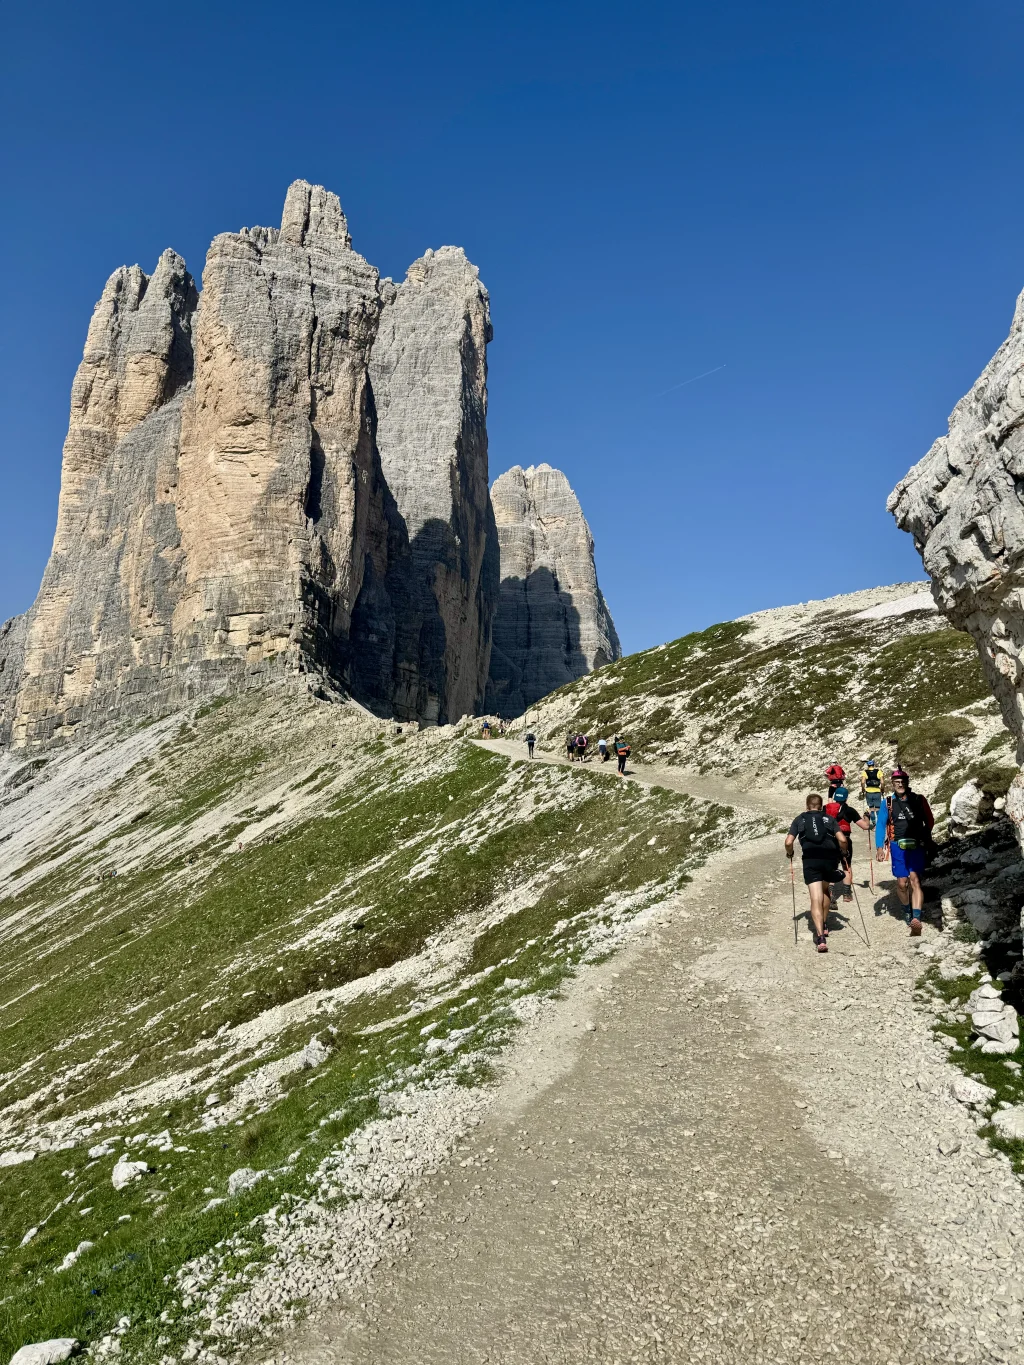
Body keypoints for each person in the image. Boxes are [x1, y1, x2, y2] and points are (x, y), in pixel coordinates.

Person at [785, 794, 849, 952]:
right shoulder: (829, 819)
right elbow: (842, 840)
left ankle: (820, 937)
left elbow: (788, 842)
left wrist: (790, 853)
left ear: (807, 806)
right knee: (826, 889)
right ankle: (825, 924)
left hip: (811, 861)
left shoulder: (800, 819)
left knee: (815, 897)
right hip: (829, 860)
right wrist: (844, 852)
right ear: (821, 806)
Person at [875, 766, 934, 936]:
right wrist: (880, 847)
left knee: (915, 880)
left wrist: (925, 836)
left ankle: (916, 917)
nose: (900, 784)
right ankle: (906, 909)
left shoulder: (919, 799)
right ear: (892, 784)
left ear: (907, 782)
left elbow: (929, 820)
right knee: (902, 883)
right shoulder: (888, 802)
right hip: (896, 845)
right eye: (896, 782)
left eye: (902, 782)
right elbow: (880, 825)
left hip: (916, 845)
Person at [824, 785, 870, 903]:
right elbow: (865, 826)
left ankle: (830, 892)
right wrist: (867, 817)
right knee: (846, 866)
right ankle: (846, 894)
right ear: (846, 798)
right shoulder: (850, 810)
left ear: (834, 797)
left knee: (832, 867)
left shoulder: (825, 808)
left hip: (829, 841)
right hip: (845, 839)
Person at [859, 757, 885, 825]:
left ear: (868, 765)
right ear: (873, 765)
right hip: (877, 791)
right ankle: (879, 822)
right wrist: (882, 789)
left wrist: (863, 789)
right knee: (878, 807)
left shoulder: (865, 772)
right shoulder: (879, 771)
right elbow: (882, 782)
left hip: (868, 792)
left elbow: (862, 782)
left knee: (871, 808)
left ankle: (873, 822)